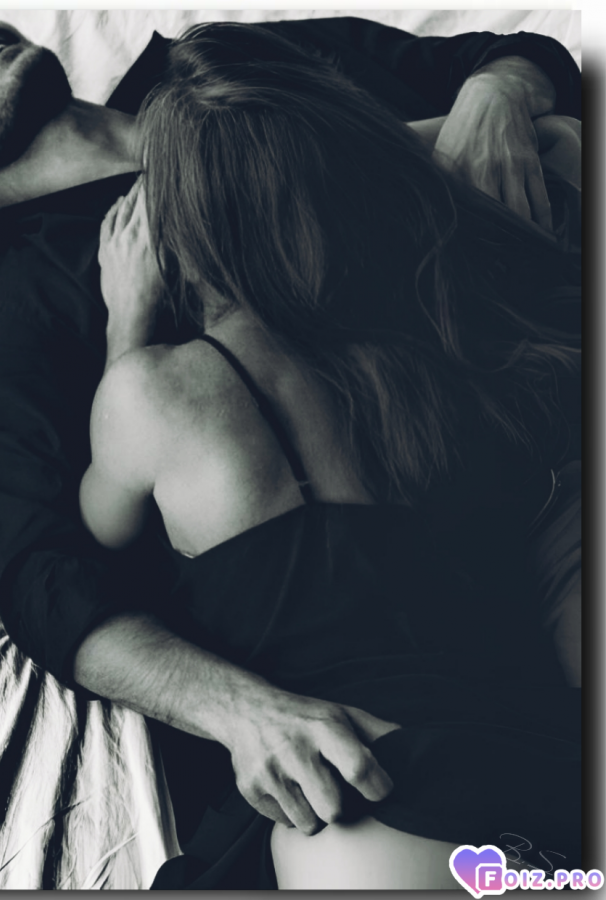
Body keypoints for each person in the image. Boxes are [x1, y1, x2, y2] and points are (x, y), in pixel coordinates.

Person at [0, 12, 582, 889]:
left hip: (530, 469)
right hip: (386, 653)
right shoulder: (30, 316)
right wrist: (244, 714)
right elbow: (47, 576)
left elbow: (519, 59)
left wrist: (498, 91)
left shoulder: (219, 66)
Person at [80, 23, 581, 889]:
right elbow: (555, 145)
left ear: (181, 235)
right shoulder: (430, 342)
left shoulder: (154, 396)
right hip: (542, 749)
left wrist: (127, 322)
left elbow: (102, 532)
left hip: (363, 785)